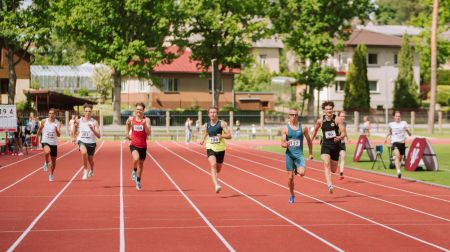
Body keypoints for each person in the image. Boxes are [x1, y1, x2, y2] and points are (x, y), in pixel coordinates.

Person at [311, 101, 346, 194]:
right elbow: (315, 130)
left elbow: (343, 132)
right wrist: (310, 140)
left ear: (332, 109)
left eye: (330, 109)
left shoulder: (338, 119)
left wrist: (340, 137)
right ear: (324, 110)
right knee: (326, 163)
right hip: (325, 145)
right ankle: (330, 185)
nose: (329, 111)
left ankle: (331, 170)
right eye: (327, 109)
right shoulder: (320, 121)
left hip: (335, 146)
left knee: (334, 170)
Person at [281, 108, 313, 204]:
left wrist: (310, 153)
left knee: (302, 173)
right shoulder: (285, 129)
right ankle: (292, 194)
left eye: (296, 115)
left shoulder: (303, 128)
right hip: (289, 155)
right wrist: (285, 144)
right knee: (290, 178)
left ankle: (297, 168)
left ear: (297, 116)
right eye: (292, 115)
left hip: (299, 155)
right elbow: (282, 142)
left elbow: (309, 140)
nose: (294, 116)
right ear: (289, 116)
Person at [200, 106, 232, 193]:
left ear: (217, 114)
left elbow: (229, 135)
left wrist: (221, 136)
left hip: (221, 149)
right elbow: (206, 132)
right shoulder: (207, 124)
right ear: (208, 114)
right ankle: (216, 185)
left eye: (214, 112)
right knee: (213, 164)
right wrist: (203, 139)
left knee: (218, 169)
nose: (213, 114)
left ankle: (215, 175)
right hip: (210, 147)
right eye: (211, 112)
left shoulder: (222, 123)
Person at [126, 102, 151, 190]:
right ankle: (134, 170)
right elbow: (127, 123)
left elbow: (149, 133)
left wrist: (144, 125)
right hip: (134, 144)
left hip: (143, 146)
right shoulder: (131, 119)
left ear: (143, 111)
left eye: (140, 110)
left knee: (141, 164)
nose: (138, 111)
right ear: (135, 110)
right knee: (136, 158)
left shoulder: (146, 120)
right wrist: (127, 134)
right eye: (137, 109)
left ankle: (138, 181)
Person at [72, 103, 101, 180]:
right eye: (86, 111)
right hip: (82, 141)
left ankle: (91, 168)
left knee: (90, 160)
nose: (88, 113)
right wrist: (74, 137)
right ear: (84, 112)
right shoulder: (79, 120)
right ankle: (85, 170)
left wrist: (93, 129)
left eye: (89, 111)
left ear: (91, 112)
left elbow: (99, 136)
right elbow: (74, 128)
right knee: (84, 153)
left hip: (91, 143)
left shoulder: (94, 122)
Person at [36, 108, 61, 181]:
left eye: (52, 113)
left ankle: (51, 174)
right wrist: (36, 136)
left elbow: (59, 135)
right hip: (45, 141)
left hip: (53, 143)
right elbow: (40, 129)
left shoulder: (57, 123)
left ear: (55, 114)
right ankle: (46, 162)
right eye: (50, 113)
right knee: (47, 151)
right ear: (48, 114)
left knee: (53, 162)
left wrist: (56, 130)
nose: (51, 115)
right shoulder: (44, 121)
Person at [385, 111, 411, 179]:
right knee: (397, 155)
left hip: (402, 143)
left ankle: (395, 159)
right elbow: (389, 132)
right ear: (394, 117)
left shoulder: (404, 123)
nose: (398, 117)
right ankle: (398, 171)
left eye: (399, 116)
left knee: (400, 159)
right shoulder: (391, 124)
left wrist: (407, 131)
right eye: (396, 116)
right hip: (395, 142)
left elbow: (410, 134)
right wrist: (386, 138)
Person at [337, 111, 348, 180]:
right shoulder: (335, 123)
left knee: (343, 157)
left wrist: (347, 138)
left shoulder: (345, 124)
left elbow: (345, 131)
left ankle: (341, 173)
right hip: (334, 143)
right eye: (342, 116)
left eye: (344, 116)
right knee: (333, 160)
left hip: (342, 143)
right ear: (338, 116)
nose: (343, 118)